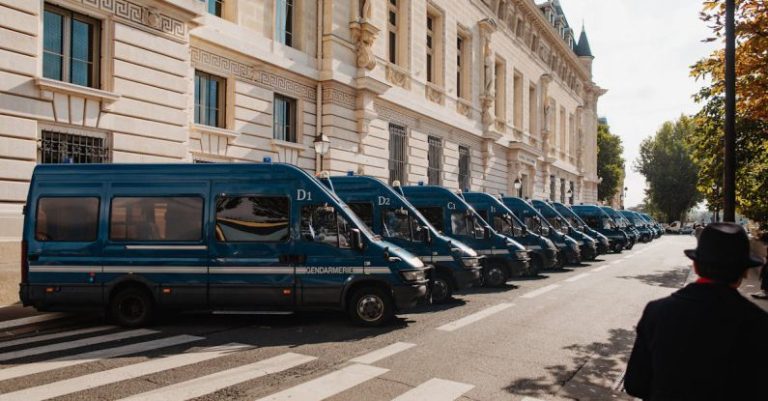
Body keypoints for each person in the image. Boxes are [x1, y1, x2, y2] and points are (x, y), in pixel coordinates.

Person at [624, 222, 768, 401]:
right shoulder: (759, 323)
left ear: (695, 266)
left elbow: (635, 384)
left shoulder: (658, 312)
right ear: (745, 272)